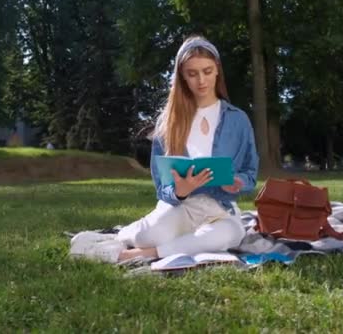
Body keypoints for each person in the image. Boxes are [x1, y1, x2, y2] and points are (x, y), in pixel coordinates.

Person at [70, 35, 259, 263]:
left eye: (207, 71)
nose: (201, 80)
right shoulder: (168, 122)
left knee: (228, 235)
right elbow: (162, 189)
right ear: (182, 77)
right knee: (151, 234)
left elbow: (250, 173)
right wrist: (180, 190)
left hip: (220, 210)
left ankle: (134, 255)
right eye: (192, 73)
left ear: (217, 70)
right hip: (181, 206)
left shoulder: (238, 120)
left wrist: (237, 182)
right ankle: (118, 236)